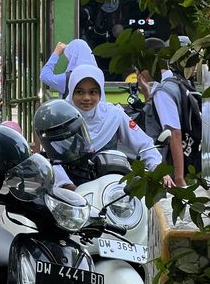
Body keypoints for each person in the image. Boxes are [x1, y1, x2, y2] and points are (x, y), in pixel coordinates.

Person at [36, 64, 174, 189]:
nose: (86, 98)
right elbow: (53, 160)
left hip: (110, 191)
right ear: (71, 91)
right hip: (70, 193)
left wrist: (158, 169)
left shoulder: (113, 115)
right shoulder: (61, 119)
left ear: (100, 93)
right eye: (79, 92)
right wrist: (68, 186)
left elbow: (144, 144)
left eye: (93, 92)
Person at [137, 38, 197, 188]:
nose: (137, 71)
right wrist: (147, 92)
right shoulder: (177, 80)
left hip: (170, 169)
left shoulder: (162, 91)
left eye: (140, 65)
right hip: (190, 154)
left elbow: (174, 133)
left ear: (151, 62)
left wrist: (179, 178)